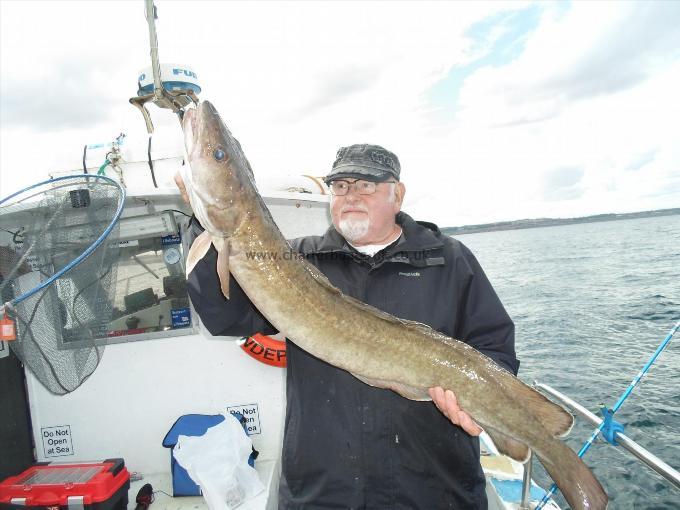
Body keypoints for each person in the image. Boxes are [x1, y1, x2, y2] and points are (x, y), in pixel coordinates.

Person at [181, 144, 519, 509]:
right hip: (325, 492)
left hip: (434, 489)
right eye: (340, 186)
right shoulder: (292, 261)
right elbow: (224, 317)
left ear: (397, 194)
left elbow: (494, 348)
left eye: (366, 185)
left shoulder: (450, 260)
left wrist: (473, 404)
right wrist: (203, 222)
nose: (351, 196)